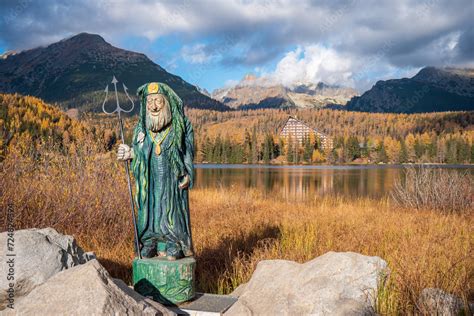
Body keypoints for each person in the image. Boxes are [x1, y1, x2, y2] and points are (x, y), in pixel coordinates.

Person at [117, 82, 194, 260]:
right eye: (149, 102)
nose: (153, 106)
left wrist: (188, 173)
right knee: (150, 209)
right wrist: (130, 153)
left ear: (167, 103)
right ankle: (149, 240)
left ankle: (173, 242)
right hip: (150, 179)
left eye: (158, 101)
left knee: (170, 209)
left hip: (171, 179)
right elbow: (138, 151)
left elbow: (188, 151)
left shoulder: (181, 126)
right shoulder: (142, 128)